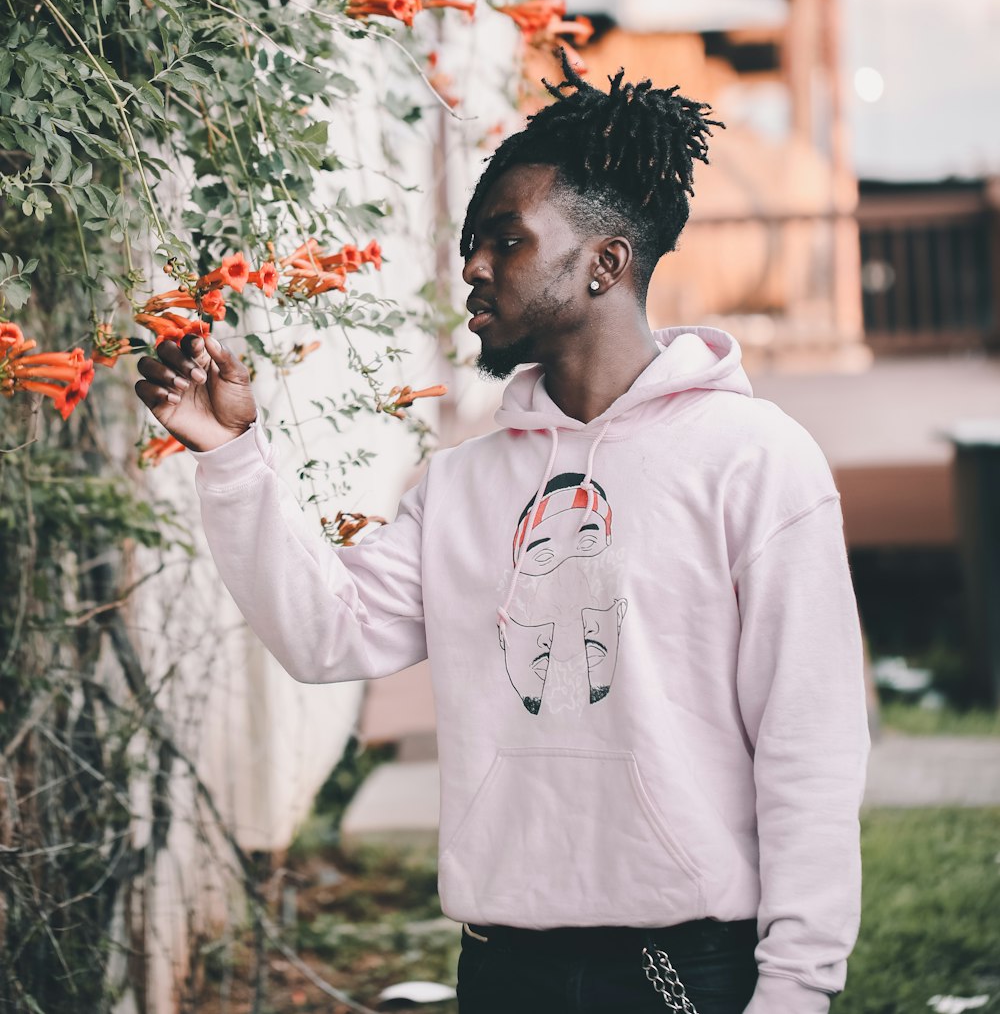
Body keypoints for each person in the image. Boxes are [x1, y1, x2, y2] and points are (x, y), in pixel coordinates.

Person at [136, 57, 870, 1014]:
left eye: (506, 241)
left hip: (685, 967)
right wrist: (231, 455)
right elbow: (329, 634)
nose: (473, 267)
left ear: (607, 262)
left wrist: (798, 988)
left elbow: (808, 742)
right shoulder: (462, 485)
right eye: (470, 243)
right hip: (500, 967)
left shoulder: (755, 461)